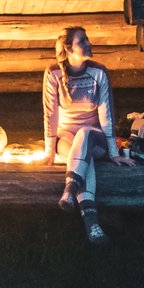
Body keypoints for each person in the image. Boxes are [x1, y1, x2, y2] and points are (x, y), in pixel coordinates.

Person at [41, 24, 132, 243]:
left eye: (87, 39)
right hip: (66, 139)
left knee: (85, 135)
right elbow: (50, 114)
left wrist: (113, 153)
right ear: (68, 48)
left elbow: (106, 115)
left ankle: (70, 189)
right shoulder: (53, 73)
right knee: (82, 156)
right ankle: (92, 224)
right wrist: (49, 152)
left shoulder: (98, 72)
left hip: (94, 137)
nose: (89, 43)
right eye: (82, 41)